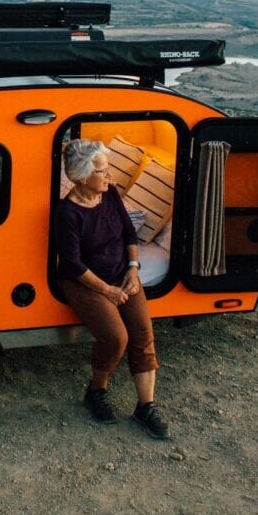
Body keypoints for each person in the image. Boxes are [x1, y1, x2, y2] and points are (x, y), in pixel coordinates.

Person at [53, 138, 169, 438]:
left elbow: (130, 232)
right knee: (116, 338)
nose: (110, 176)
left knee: (143, 334)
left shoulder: (111, 194)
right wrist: (107, 291)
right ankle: (96, 391)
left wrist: (133, 269)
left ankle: (146, 407)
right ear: (82, 177)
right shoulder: (67, 213)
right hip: (85, 281)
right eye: (102, 171)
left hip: (122, 273)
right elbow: (74, 264)